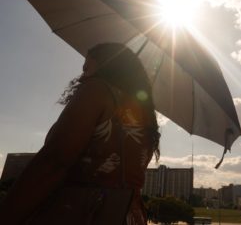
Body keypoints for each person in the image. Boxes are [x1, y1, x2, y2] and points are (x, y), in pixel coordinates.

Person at [0, 43, 160, 224]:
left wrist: (7, 215)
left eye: (86, 67)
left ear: (106, 64)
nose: (83, 74)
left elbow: (54, 160)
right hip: (129, 215)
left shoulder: (97, 90)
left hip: (82, 211)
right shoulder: (147, 117)